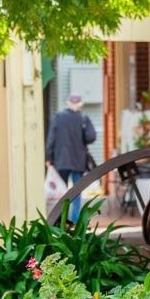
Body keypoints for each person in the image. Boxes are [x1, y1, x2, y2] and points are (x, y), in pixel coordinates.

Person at [46, 94, 98, 223]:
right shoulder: (83, 118)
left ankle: (62, 219)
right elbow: (91, 137)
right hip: (78, 161)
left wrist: (49, 157)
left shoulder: (58, 117)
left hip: (61, 160)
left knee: (62, 191)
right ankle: (75, 220)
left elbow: (51, 139)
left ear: (68, 103)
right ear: (80, 104)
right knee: (77, 191)